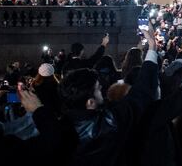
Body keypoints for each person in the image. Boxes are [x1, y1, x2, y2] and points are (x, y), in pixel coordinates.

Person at [60, 27, 158, 165]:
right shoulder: (108, 122)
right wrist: (152, 50)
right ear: (90, 102)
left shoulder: (58, 128)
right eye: (98, 90)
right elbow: (139, 95)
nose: (102, 91)